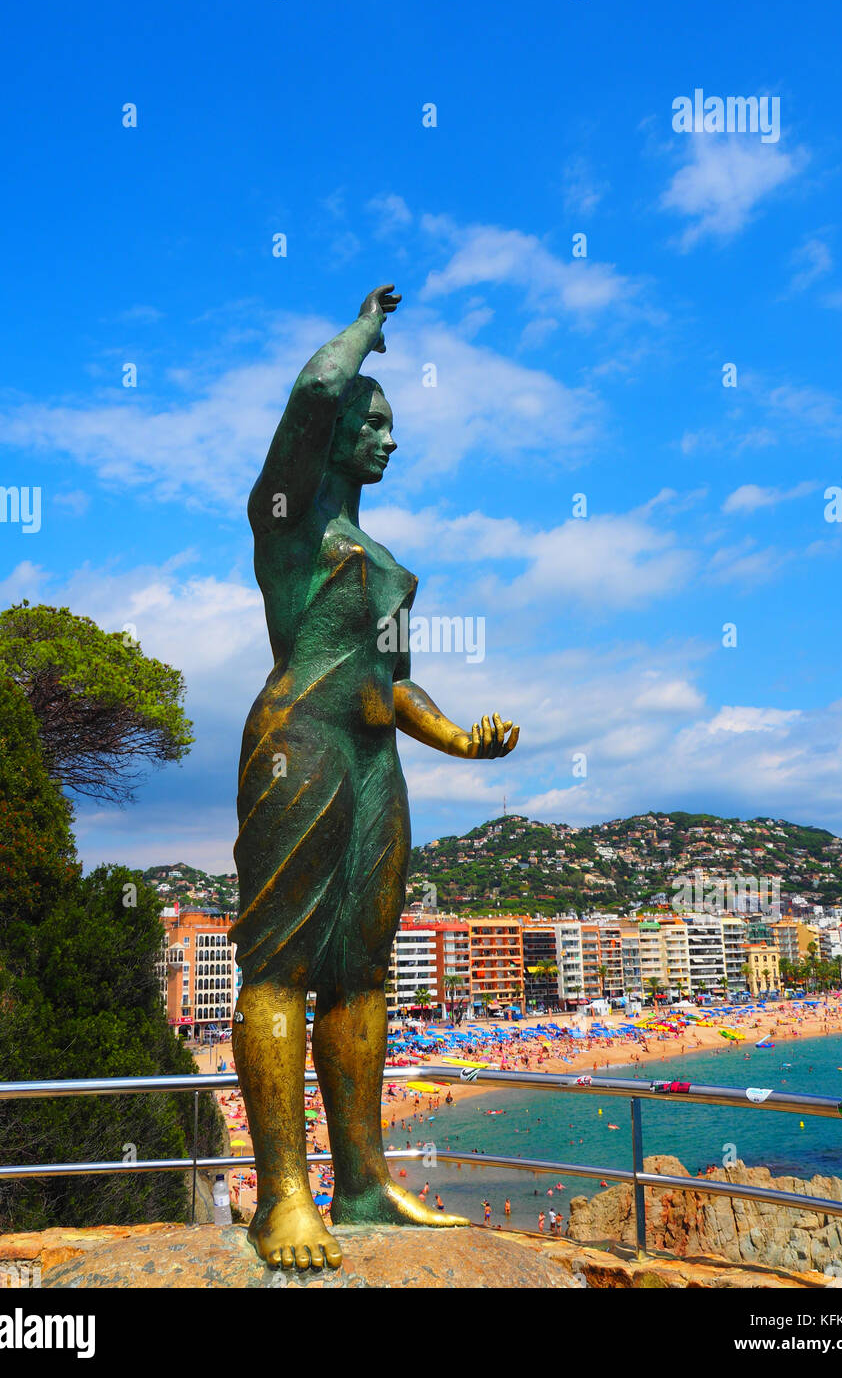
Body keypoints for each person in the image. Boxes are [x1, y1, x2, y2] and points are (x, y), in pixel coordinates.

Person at [231, 286, 519, 1272]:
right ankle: (281, 1199)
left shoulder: (390, 568)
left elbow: (393, 685)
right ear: (340, 429)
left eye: (394, 422)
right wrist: (364, 335)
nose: (391, 439)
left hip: (374, 764)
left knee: (358, 977)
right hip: (297, 747)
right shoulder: (288, 522)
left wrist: (459, 737)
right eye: (377, 420)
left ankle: (361, 1181)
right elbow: (314, 388)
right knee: (277, 967)